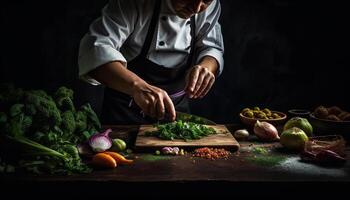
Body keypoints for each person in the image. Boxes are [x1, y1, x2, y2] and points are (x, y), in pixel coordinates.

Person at [78, 0, 224, 124]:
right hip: (124, 114)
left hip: (177, 114)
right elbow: (94, 49)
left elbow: (211, 46)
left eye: (206, 1)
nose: (197, 8)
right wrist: (137, 87)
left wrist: (206, 66)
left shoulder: (208, 5)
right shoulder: (134, 3)